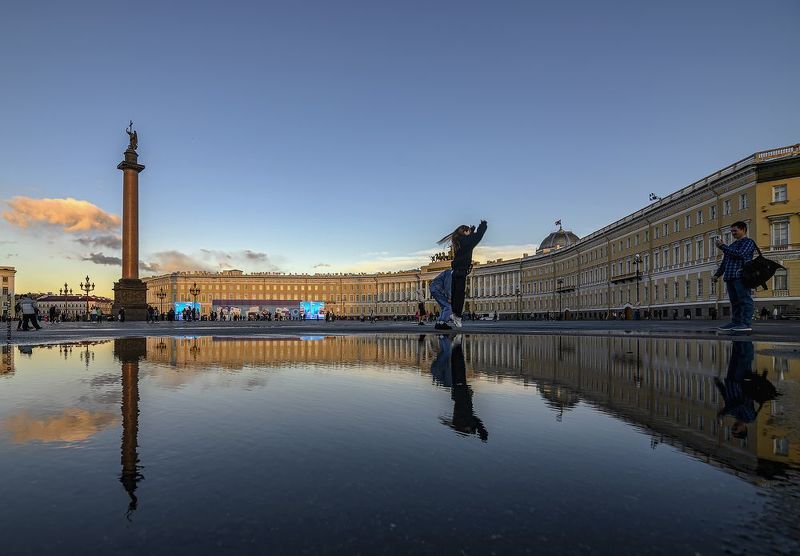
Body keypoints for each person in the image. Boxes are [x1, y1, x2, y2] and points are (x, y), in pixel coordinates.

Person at [437, 220, 487, 329]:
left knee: (455, 294)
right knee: (460, 295)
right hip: (461, 271)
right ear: (465, 232)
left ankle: (453, 313)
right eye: (468, 231)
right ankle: (457, 316)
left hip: (455, 271)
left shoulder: (458, 241)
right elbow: (477, 237)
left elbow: (470, 239)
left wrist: (471, 231)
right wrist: (483, 226)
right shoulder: (466, 241)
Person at [713, 221, 757, 332]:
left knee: (745, 300)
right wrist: (717, 275)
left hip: (741, 276)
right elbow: (724, 262)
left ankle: (746, 324)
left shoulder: (748, 242)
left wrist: (723, 246)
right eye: (732, 231)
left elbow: (740, 254)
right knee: (735, 302)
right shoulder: (732, 245)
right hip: (730, 277)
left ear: (743, 229)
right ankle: (735, 322)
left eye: (735, 231)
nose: (733, 233)